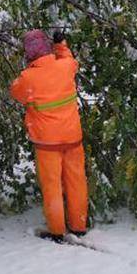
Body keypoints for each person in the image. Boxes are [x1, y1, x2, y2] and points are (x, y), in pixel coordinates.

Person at [10, 28, 88, 242]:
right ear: (47, 46)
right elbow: (70, 59)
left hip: (47, 143)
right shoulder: (65, 67)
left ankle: (56, 231)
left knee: (52, 185)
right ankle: (79, 225)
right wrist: (61, 44)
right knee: (77, 181)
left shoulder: (27, 78)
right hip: (72, 138)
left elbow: (15, 91)